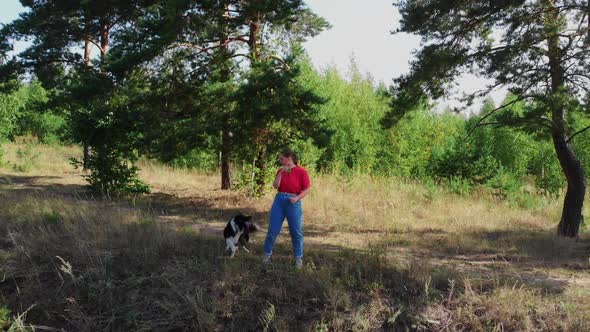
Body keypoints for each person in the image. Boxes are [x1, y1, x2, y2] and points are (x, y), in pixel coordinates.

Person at [262, 149, 311, 269]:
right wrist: (280, 173)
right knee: (272, 230)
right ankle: (267, 256)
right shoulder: (280, 170)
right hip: (279, 200)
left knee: (296, 232)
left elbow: (307, 189)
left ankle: (298, 259)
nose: (280, 160)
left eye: (282, 158)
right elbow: (275, 186)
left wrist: (297, 198)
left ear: (289, 158)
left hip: (293, 201)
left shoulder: (301, 172)